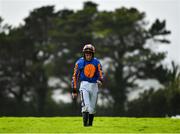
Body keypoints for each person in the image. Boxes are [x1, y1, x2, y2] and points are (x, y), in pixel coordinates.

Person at [71, 44, 104, 127]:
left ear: (93, 54)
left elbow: (100, 73)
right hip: (84, 85)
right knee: (86, 106)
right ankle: (85, 125)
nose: (88, 55)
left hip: (94, 86)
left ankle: (90, 125)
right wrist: (74, 90)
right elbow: (75, 77)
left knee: (92, 108)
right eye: (86, 53)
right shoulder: (79, 62)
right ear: (84, 54)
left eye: (90, 53)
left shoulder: (97, 62)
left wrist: (100, 80)